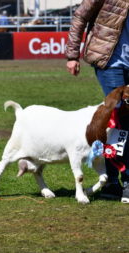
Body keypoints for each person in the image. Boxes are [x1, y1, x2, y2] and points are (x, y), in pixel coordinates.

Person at [65, 0, 129, 203]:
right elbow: (80, 16)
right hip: (110, 63)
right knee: (117, 122)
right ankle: (115, 181)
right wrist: (72, 55)